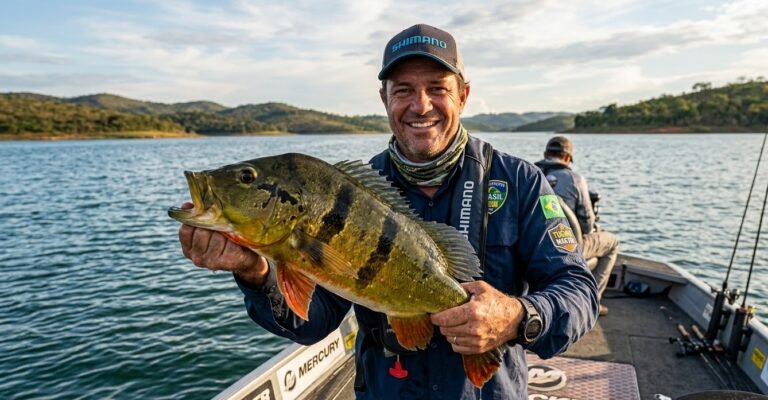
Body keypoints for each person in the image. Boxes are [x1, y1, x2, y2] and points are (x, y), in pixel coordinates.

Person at [177, 24, 598, 399]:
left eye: (437, 88)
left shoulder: (520, 181)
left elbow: (579, 291)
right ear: (384, 98)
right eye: (403, 90)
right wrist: (254, 272)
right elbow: (312, 322)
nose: (421, 105)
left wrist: (517, 317)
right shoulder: (356, 189)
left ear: (463, 96)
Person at [535, 136, 619, 316]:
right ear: (567, 158)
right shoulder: (575, 179)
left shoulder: (527, 172)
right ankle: (591, 304)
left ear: (545, 154)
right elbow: (587, 225)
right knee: (612, 243)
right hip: (565, 248)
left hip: (531, 245)